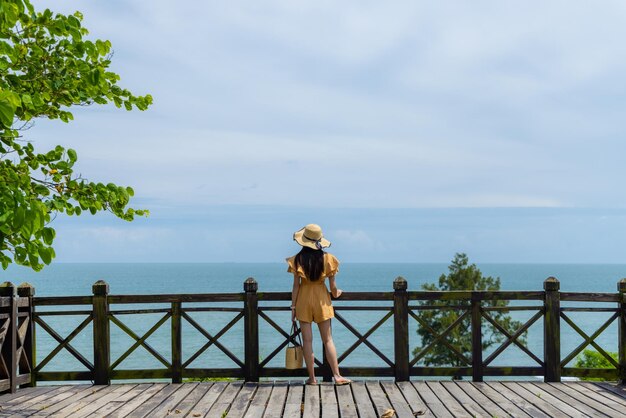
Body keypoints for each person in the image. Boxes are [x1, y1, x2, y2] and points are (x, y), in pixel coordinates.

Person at [286, 224, 351, 385]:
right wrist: (337, 294)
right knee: (328, 340)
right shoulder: (328, 259)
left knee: (307, 341)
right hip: (322, 299)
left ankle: (312, 378)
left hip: (303, 300)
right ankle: (337, 375)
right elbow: (333, 288)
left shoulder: (297, 260)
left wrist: (293, 307)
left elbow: (296, 286)